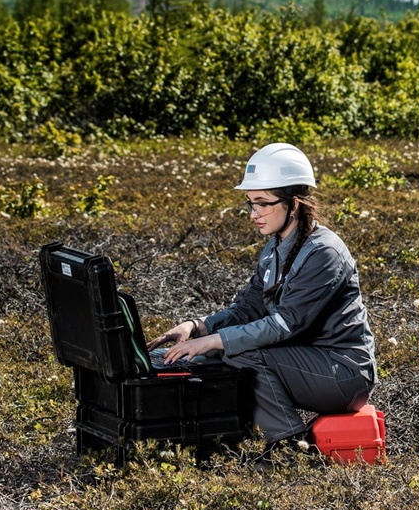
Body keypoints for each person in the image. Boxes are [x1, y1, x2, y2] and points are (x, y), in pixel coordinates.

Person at [147, 143, 377, 452]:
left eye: (262, 204)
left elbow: (284, 325)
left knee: (239, 351)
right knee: (227, 347)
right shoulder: (274, 247)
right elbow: (248, 308)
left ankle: (287, 445)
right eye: (250, 204)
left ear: (293, 204)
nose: (254, 214)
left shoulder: (324, 252)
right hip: (306, 362)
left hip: (344, 373)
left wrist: (215, 341)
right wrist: (198, 326)